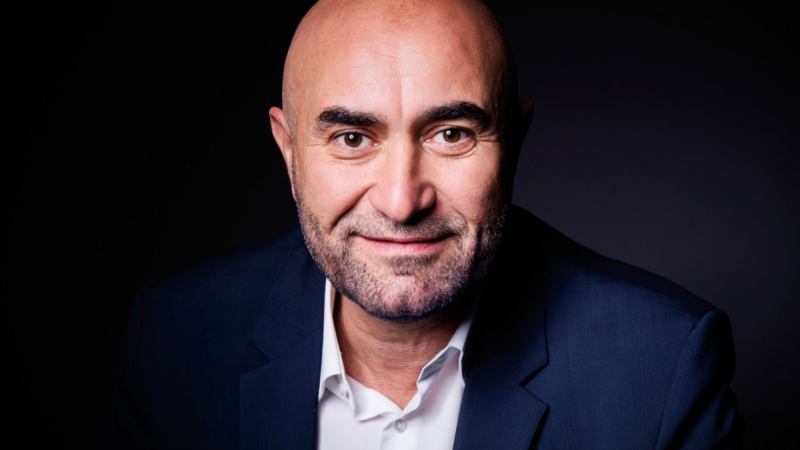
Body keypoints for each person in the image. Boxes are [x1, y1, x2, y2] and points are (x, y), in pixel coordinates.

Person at [108, 0, 742, 448]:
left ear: (515, 143)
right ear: (289, 152)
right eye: (352, 137)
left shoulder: (662, 369)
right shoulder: (174, 342)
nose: (401, 200)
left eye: (451, 133)